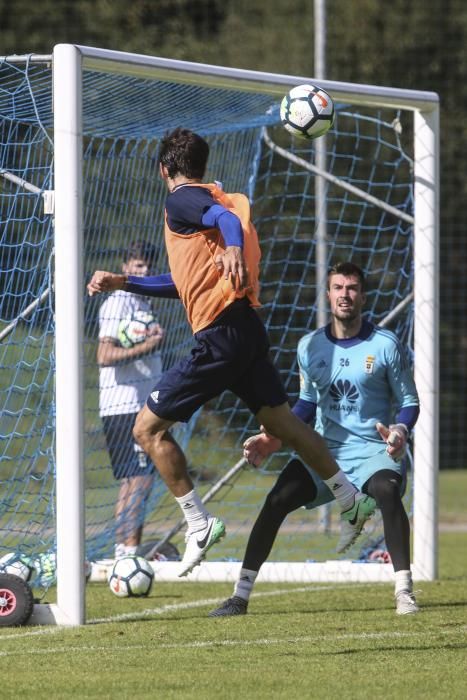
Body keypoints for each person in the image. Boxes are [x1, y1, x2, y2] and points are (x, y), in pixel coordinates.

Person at [87, 129, 375, 578]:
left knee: (145, 431)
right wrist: (125, 282)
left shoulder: (181, 199)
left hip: (220, 336)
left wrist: (235, 247)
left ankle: (199, 524)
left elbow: (225, 222)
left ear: (164, 168)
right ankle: (351, 499)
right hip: (243, 328)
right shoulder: (209, 200)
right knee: (285, 426)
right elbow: (183, 282)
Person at [209, 262, 420, 617]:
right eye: (338, 288)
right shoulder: (310, 346)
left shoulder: (385, 344)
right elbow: (306, 406)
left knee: (385, 490)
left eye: (352, 288)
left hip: (372, 452)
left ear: (363, 296)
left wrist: (399, 432)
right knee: (276, 499)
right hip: (322, 453)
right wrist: (271, 438)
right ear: (328, 294)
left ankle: (404, 592)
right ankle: (239, 596)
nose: (345, 295)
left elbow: (410, 402)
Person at [97, 240, 165, 559]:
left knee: (132, 481)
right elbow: (104, 354)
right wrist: (146, 347)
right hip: (125, 405)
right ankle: (130, 554)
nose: (145, 271)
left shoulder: (142, 302)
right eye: (138, 266)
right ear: (125, 268)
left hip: (138, 405)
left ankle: (123, 554)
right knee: (140, 480)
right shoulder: (118, 302)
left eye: (148, 266)